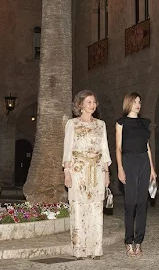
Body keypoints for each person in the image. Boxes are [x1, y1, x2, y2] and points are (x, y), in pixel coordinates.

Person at [63, 90, 111, 260]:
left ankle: (95, 249)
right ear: (80, 105)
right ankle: (80, 249)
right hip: (78, 170)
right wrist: (67, 172)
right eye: (89, 102)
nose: (92, 105)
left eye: (94, 102)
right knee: (78, 207)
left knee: (96, 208)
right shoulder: (72, 124)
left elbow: (104, 149)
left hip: (97, 170)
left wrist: (106, 173)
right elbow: (68, 149)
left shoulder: (101, 125)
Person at [115, 92, 157, 258]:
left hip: (143, 163)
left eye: (140, 102)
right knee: (130, 203)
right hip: (128, 161)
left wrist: (152, 169)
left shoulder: (145, 123)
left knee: (142, 202)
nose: (138, 105)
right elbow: (118, 147)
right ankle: (128, 240)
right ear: (128, 103)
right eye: (135, 102)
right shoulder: (121, 123)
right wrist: (120, 168)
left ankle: (138, 241)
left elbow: (147, 147)